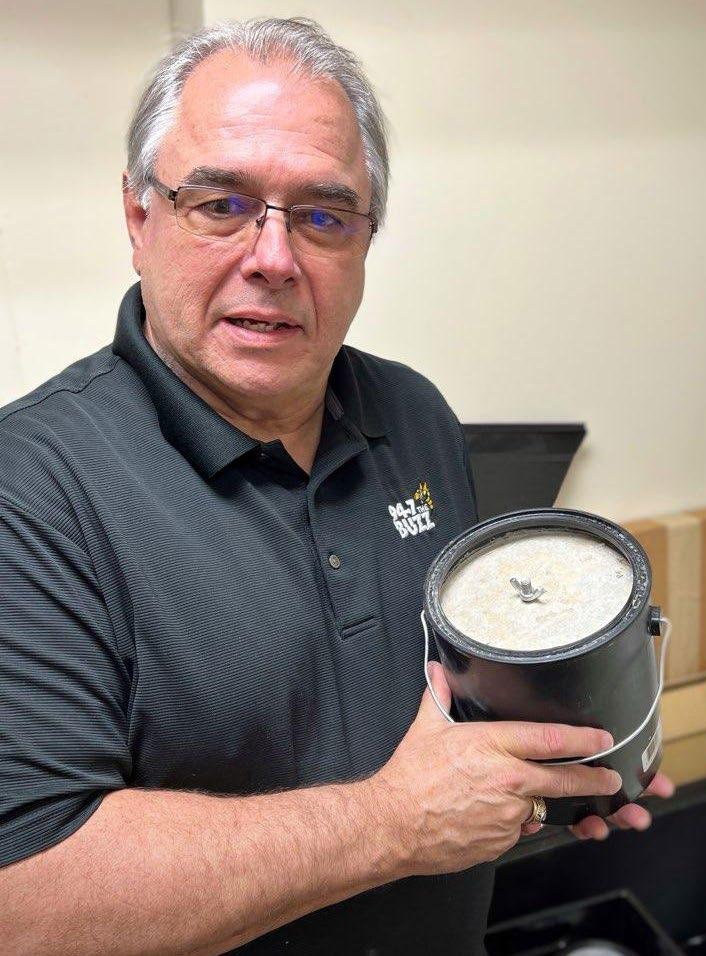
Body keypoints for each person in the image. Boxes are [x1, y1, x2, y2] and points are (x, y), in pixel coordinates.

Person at [0, 17, 672, 956]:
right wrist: (394, 824)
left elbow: (446, 712)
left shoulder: (414, 414)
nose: (274, 259)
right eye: (221, 204)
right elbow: (26, 899)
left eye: (323, 216)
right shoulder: (33, 488)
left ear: (364, 240)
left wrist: (547, 772)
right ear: (139, 218)